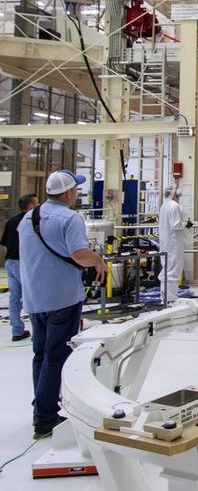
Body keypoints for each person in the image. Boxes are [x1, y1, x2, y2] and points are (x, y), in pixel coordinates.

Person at [18, 170, 107, 439]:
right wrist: (98, 261)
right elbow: (79, 254)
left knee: (40, 355)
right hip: (62, 298)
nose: (76, 193)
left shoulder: (28, 217)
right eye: (75, 189)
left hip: (35, 298)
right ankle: (45, 419)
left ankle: (41, 404)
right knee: (56, 356)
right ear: (68, 193)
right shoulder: (69, 218)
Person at [1, 193, 38, 341]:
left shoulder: (11, 221)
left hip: (10, 262)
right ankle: (38, 332)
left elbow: (4, 243)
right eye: (37, 204)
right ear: (30, 206)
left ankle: (17, 331)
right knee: (33, 296)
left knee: (14, 298)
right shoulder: (31, 222)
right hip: (23, 263)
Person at [158, 186, 186, 305]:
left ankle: (164, 297)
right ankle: (170, 300)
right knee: (173, 270)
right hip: (173, 243)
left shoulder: (164, 206)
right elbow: (176, 225)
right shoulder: (175, 206)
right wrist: (186, 224)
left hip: (165, 242)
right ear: (173, 193)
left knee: (166, 269)